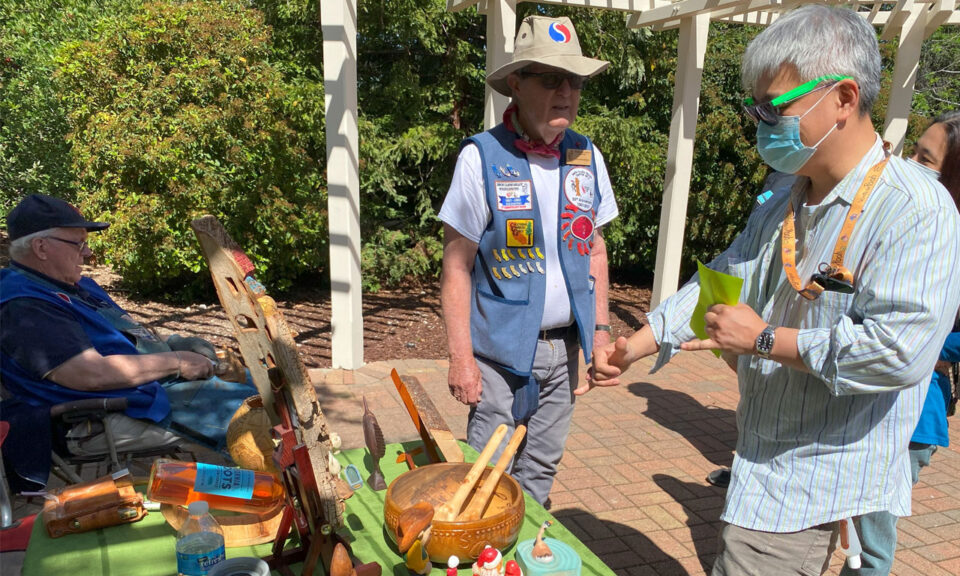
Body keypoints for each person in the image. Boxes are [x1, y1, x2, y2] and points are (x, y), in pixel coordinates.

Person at [589, 6, 960, 575]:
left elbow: (899, 352)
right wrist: (638, 344)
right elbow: (730, 272)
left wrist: (764, 340)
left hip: (814, 481)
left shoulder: (915, 210)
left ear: (842, 97)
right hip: (761, 459)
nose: (762, 121)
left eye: (775, 107)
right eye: (755, 107)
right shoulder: (791, 189)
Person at [439, 15, 618, 505]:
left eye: (574, 80)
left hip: (565, 352)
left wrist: (599, 332)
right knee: (487, 474)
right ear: (515, 84)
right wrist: (461, 360)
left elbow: (595, 249)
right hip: (498, 357)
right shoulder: (481, 157)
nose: (566, 91)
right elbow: (455, 267)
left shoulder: (586, 155)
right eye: (549, 78)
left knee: (541, 468)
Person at [1, 194, 256, 488]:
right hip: (102, 413)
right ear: (41, 247)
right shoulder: (24, 305)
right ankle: (274, 500)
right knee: (253, 417)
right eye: (78, 243)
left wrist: (174, 343)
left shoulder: (76, 286)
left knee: (267, 389)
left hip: (148, 388)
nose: (88, 253)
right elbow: (88, 373)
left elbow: (128, 336)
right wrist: (176, 361)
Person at [842, 111, 960, 576]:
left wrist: (916, 347)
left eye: (924, 158)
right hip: (872, 408)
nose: (907, 162)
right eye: (911, 149)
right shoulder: (908, 226)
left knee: (870, 549)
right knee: (855, 533)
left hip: (909, 421)